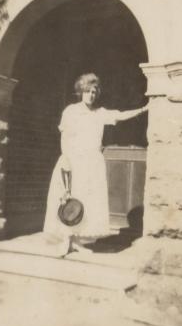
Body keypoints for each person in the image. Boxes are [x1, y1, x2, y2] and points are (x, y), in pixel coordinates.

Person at [43, 73, 148, 254]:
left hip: (93, 163)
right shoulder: (71, 111)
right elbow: (65, 137)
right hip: (74, 160)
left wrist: (143, 109)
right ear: (80, 92)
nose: (90, 95)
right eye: (87, 91)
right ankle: (65, 241)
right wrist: (66, 158)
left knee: (87, 201)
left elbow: (120, 115)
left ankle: (77, 241)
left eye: (93, 92)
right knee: (70, 199)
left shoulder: (100, 113)